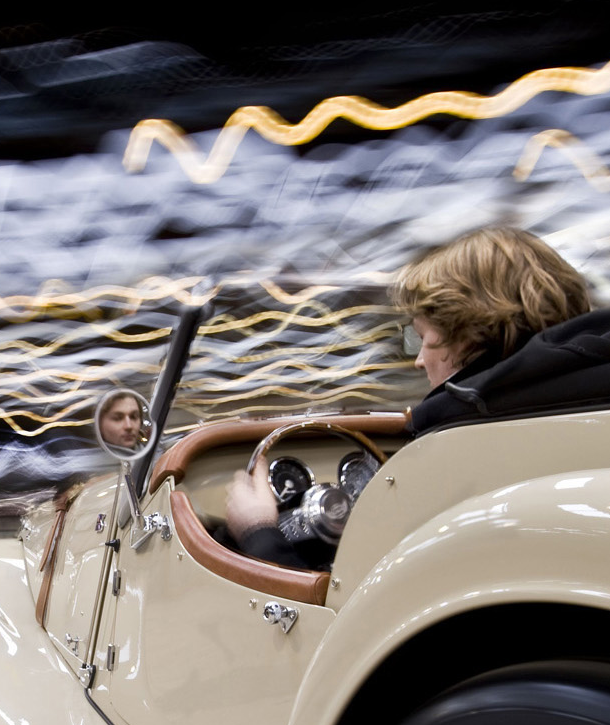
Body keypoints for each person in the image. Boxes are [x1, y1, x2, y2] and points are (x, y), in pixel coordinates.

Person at [224, 226, 591, 567]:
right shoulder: (589, 408)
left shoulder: (458, 455)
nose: (418, 360)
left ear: (467, 337)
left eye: (423, 337)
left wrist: (258, 532)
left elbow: (352, 604)